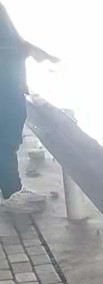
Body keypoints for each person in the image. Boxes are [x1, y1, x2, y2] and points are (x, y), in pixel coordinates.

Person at [0, 1, 56, 213]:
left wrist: (30, 49)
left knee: (8, 135)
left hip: (10, 79)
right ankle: (10, 192)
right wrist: (25, 50)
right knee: (6, 137)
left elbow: (10, 40)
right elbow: (8, 44)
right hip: (4, 82)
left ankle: (10, 186)